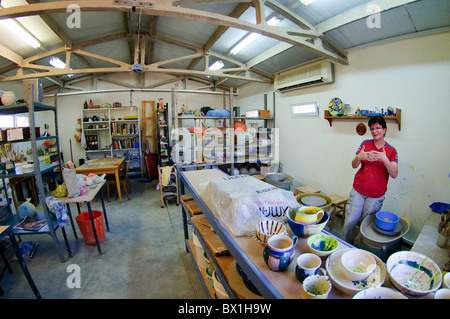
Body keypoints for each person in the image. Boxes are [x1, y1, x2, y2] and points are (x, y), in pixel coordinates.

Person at [342, 116, 398, 244]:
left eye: (378, 128)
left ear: (384, 130)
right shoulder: (365, 144)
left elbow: (394, 174)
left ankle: (357, 250)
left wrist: (384, 159)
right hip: (358, 191)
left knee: (365, 227)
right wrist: (359, 157)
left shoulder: (391, 151)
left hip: (376, 196)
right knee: (350, 221)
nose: (374, 131)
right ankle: (343, 246)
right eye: (372, 128)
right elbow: (354, 165)